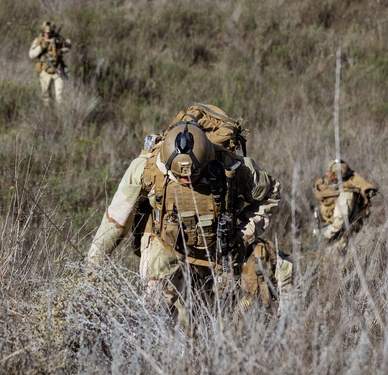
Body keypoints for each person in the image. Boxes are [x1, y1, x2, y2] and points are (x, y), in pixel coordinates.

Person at [86, 106, 292, 319]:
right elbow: (115, 222)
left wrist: (243, 232)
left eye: (194, 175)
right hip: (165, 242)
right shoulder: (146, 169)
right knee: (153, 313)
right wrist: (92, 271)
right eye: (180, 176)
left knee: (217, 313)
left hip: (217, 246)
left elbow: (271, 192)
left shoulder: (233, 167)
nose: (187, 180)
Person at [312, 159, 379, 249]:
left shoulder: (346, 195)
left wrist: (323, 238)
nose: (327, 174)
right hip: (333, 230)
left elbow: (339, 221)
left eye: (330, 172)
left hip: (338, 234)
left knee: (333, 258)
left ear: (336, 175)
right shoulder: (337, 188)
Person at [28, 20, 71, 106]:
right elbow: (31, 55)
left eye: (49, 32)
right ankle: (48, 115)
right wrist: (41, 47)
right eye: (46, 32)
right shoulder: (39, 40)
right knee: (46, 96)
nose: (47, 34)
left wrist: (60, 51)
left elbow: (68, 46)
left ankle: (60, 114)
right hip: (45, 70)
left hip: (58, 69)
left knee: (60, 95)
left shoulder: (58, 38)